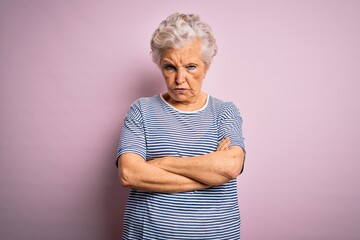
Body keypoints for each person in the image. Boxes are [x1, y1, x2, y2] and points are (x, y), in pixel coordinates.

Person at [116, 13, 246, 239]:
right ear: (160, 66)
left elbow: (229, 167)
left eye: (191, 66)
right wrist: (208, 177)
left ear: (206, 66)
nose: (179, 79)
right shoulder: (141, 111)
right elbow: (129, 173)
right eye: (170, 67)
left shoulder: (224, 111)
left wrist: (163, 163)